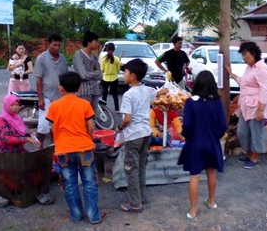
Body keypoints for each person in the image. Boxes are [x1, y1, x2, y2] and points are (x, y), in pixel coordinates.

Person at [46, 71, 105, 224]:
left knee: (69, 183)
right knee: (89, 182)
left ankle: (76, 214)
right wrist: (87, 137)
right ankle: (93, 216)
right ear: (79, 88)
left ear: (60, 88)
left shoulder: (54, 106)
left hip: (63, 149)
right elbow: (91, 126)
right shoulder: (84, 104)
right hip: (83, 147)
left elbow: (52, 128)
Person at [114, 59, 168, 213]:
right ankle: (141, 196)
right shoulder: (146, 90)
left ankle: (135, 204)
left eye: (125, 72)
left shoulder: (128, 94)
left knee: (131, 168)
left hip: (134, 135)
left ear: (133, 76)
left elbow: (128, 119)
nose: (123, 74)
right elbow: (158, 93)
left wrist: (119, 127)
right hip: (146, 133)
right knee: (141, 167)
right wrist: (166, 88)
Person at [177, 70, 228, 219]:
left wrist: (185, 135)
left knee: (195, 176)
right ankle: (211, 202)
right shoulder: (217, 102)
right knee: (211, 172)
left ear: (196, 84)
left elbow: (188, 126)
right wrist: (214, 137)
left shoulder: (191, 103)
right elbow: (222, 126)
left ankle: (193, 211)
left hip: (195, 144)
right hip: (212, 144)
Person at [226, 42, 267, 168]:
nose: (243, 57)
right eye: (242, 54)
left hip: (257, 107)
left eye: (245, 54)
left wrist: (261, 110)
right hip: (245, 106)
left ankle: (255, 158)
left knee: (255, 133)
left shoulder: (262, 68)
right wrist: (231, 74)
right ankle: (249, 153)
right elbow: (243, 82)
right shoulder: (249, 67)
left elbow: (266, 90)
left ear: (253, 53)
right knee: (242, 132)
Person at [34, 34, 69, 148]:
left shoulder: (62, 58)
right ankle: (40, 147)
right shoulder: (41, 58)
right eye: (54, 45)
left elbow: (65, 77)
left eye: (59, 45)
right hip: (46, 96)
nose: (57, 48)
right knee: (43, 125)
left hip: (60, 96)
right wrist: (40, 99)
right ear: (48, 44)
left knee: (57, 124)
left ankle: (54, 147)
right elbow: (38, 80)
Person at [73, 31, 103, 112]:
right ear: (89, 42)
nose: (97, 43)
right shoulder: (78, 55)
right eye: (96, 41)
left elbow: (101, 75)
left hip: (95, 91)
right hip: (83, 91)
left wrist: (94, 74)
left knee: (92, 115)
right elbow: (83, 75)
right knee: (83, 115)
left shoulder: (94, 57)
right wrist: (96, 73)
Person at [100, 42, 124, 112]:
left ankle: (103, 109)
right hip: (114, 78)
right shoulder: (116, 59)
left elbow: (102, 69)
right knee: (115, 94)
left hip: (105, 78)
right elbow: (118, 71)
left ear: (106, 49)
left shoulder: (103, 59)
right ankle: (117, 109)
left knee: (104, 95)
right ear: (114, 50)